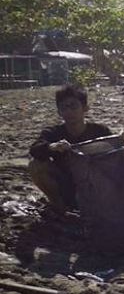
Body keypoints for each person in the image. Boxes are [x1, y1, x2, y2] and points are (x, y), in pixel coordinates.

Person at [28, 84, 114, 216]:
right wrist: (52, 147)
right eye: (64, 107)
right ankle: (59, 206)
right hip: (66, 185)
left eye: (74, 106)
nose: (69, 112)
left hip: (95, 185)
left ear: (85, 108)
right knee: (35, 165)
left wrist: (122, 141)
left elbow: (117, 153)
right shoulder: (54, 133)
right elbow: (35, 149)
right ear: (59, 111)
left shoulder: (100, 131)